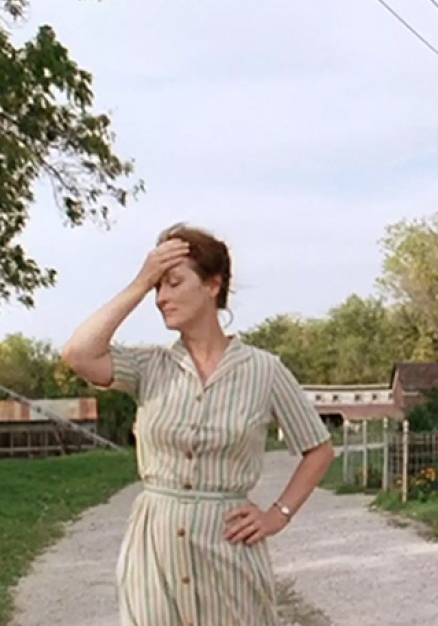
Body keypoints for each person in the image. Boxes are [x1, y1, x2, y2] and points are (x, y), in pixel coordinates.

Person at [61, 223, 334, 625]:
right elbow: (77, 353)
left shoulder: (264, 371)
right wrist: (141, 281)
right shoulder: (149, 366)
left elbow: (319, 449)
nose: (161, 298)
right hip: (154, 555)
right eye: (158, 287)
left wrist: (278, 514)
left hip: (230, 553)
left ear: (212, 285)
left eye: (172, 283)